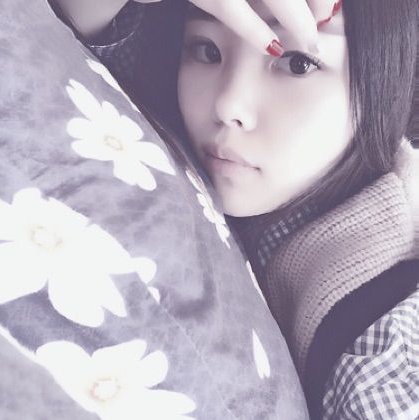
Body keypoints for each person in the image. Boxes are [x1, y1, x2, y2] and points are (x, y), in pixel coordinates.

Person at [52, 0, 419, 418]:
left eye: (297, 63)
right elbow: (79, 46)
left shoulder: (387, 338)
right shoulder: (169, 114)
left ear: (388, 77)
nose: (227, 104)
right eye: (206, 50)